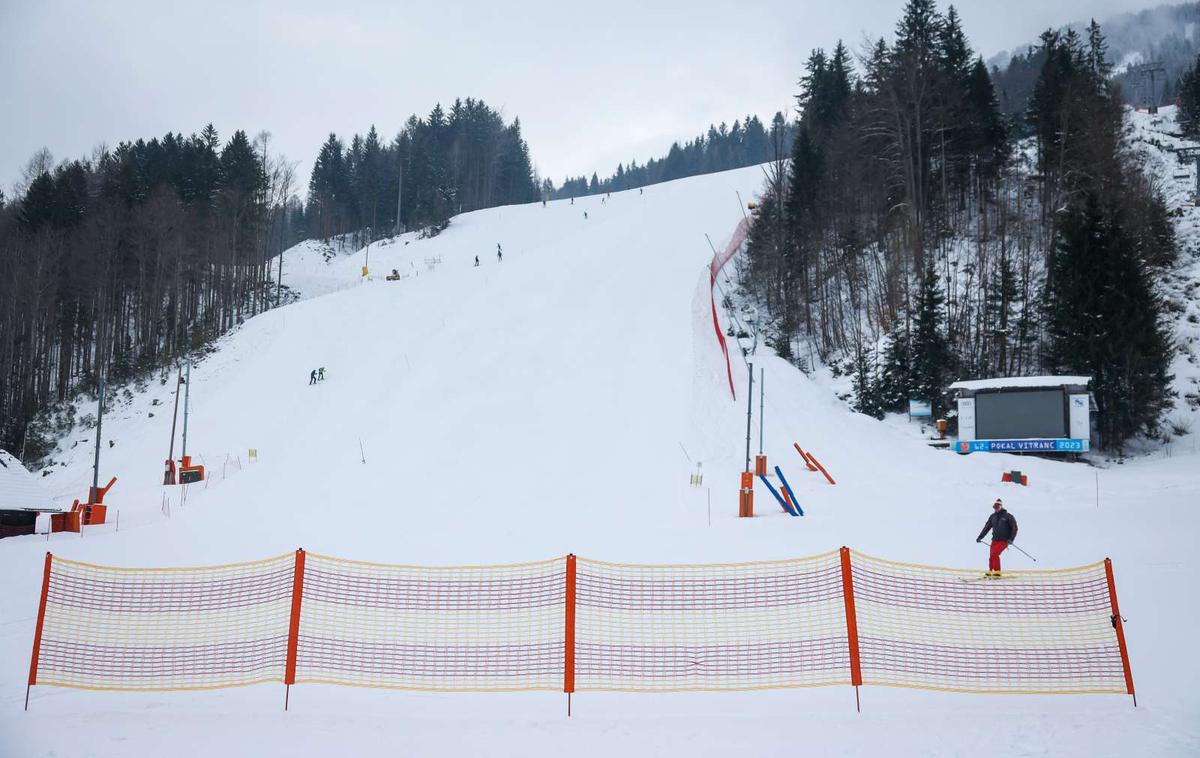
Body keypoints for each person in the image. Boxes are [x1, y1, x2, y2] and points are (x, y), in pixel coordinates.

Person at [976, 498, 1018, 576]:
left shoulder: (1008, 516)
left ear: (1001, 506)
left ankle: (997, 573)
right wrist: (980, 537)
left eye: (998, 507)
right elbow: (987, 527)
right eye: (995, 507)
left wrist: (1011, 539)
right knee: (992, 556)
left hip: (1004, 540)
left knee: (995, 554)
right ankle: (991, 571)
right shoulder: (992, 517)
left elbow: (1014, 528)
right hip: (995, 540)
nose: (996, 508)